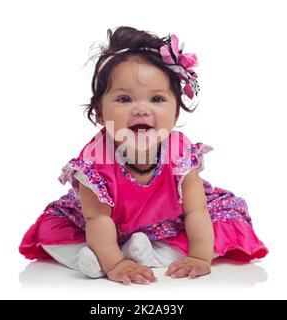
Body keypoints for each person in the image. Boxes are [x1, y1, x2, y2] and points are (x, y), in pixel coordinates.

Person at [19, 26, 268, 286]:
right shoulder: (96, 160)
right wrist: (116, 264)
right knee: (52, 232)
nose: (141, 109)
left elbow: (195, 211)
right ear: (100, 114)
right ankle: (104, 257)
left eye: (157, 99)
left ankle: (145, 252)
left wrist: (200, 257)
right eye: (124, 99)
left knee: (225, 224)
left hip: (168, 222)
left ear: (176, 114)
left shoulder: (180, 154)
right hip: (106, 225)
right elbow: (98, 218)